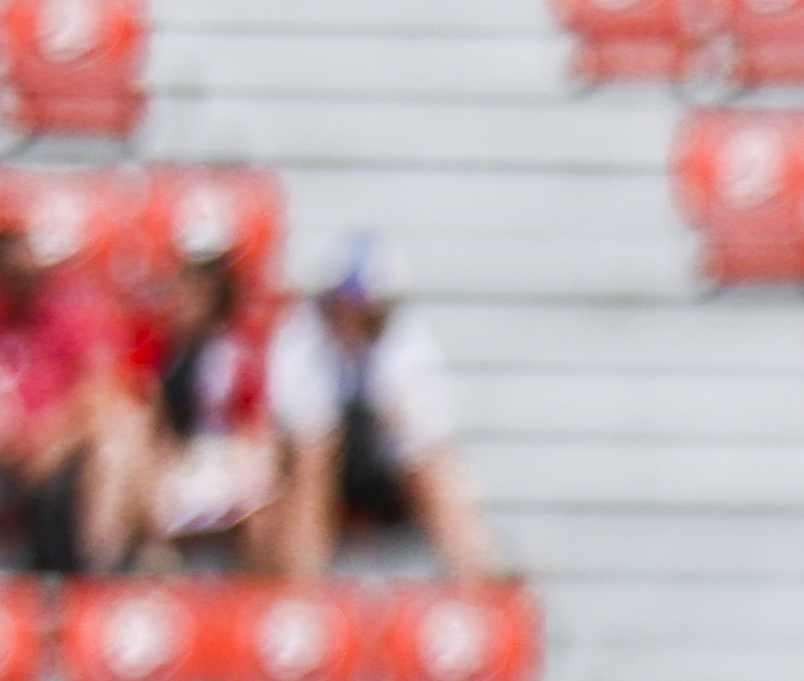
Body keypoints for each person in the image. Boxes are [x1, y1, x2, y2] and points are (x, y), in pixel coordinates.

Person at [265, 240, 502, 584]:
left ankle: (477, 582)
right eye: (344, 306)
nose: (351, 318)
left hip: (383, 470)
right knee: (312, 463)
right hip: (317, 465)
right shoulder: (299, 340)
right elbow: (304, 434)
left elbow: (423, 440)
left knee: (436, 472)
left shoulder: (408, 347)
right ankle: (303, 592)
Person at [0, 207, 147, 575]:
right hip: (14, 445)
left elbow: (103, 393)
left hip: (61, 449)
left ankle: (96, 578)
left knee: (116, 444)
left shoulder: (76, 310)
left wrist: (52, 441)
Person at [140, 198, 282, 565]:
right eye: (187, 281)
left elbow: (253, 424)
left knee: (257, 500)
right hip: (179, 460)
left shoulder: (239, 347)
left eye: (204, 283)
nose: (192, 294)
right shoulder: (162, 347)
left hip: (226, 454)